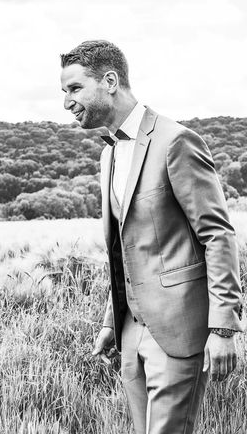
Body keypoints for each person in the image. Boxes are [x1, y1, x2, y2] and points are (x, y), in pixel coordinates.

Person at [60, 40, 243, 433]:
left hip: (179, 330)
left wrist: (224, 327)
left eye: (74, 89)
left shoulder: (176, 141)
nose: (67, 102)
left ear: (110, 81)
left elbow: (217, 235)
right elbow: (123, 248)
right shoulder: (108, 154)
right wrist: (113, 323)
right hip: (130, 332)